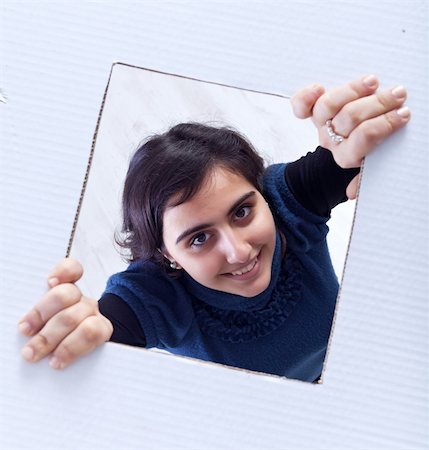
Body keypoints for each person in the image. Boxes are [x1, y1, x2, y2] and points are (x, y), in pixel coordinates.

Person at [18, 75, 410, 382]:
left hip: (358, 374)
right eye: (199, 238)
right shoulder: (156, 296)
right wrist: (81, 330)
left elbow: (339, 161)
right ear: (167, 254)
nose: (240, 252)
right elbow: (106, 330)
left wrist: (351, 134)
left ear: (260, 194)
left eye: (242, 212)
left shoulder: (285, 208)